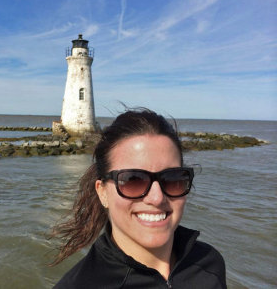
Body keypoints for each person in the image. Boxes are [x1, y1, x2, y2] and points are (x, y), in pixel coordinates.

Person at [52, 108, 227, 289]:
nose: (157, 198)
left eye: (172, 178)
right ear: (102, 192)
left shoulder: (209, 263)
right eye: (133, 180)